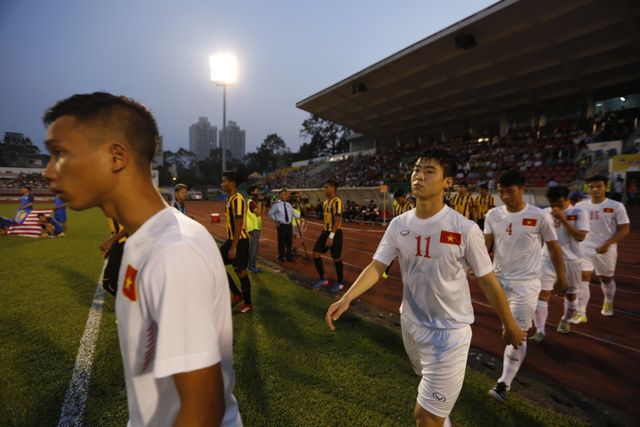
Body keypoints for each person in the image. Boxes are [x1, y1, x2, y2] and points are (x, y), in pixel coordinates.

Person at [42, 92, 241, 426]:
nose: (49, 171)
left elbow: (204, 411)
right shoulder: (143, 240)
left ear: (116, 156)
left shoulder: (172, 251)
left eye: (60, 154)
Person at [325, 150, 524, 427]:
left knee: (425, 417)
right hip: (411, 325)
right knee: (434, 411)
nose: (419, 175)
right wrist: (347, 298)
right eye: (416, 169)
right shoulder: (399, 224)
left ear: (447, 182)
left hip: (449, 333)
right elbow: (376, 267)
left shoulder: (465, 229)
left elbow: (488, 280)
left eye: (429, 171)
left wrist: (510, 323)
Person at [484, 170, 567, 402]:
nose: (507, 197)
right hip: (497, 282)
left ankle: (504, 383)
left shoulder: (539, 216)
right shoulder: (493, 214)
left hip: (526, 284)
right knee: (506, 330)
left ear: (522, 189)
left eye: (511, 192)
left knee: (516, 334)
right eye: (502, 192)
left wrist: (561, 276)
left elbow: (553, 247)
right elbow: (486, 245)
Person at [530, 186, 589, 341]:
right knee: (542, 294)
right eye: (552, 203)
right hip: (547, 260)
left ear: (567, 199)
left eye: (560, 203)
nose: (555, 207)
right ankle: (540, 331)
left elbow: (580, 237)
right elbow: (541, 237)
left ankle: (565, 319)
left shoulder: (579, 213)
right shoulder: (544, 213)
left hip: (571, 261)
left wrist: (563, 219)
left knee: (571, 295)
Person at [573, 175, 630, 321]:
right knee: (583, 278)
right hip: (584, 248)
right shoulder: (580, 206)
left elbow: (624, 229)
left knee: (605, 278)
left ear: (606, 187)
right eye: (592, 187)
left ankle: (608, 301)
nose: (595, 189)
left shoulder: (616, 206)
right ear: (588, 189)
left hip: (606, 248)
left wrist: (608, 244)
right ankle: (581, 312)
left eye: (599, 186)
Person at [220, 171, 253, 314]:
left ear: (232, 183)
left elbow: (239, 223)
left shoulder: (238, 199)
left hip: (240, 241)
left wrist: (233, 247)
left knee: (241, 272)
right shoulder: (230, 199)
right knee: (216, 264)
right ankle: (237, 293)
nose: (222, 184)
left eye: (224, 181)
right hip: (232, 240)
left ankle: (248, 303)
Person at [311, 180, 345, 293]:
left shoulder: (337, 201)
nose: (324, 189)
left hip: (335, 232)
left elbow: (337, 220)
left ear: (332, 188)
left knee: (336, 258)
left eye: (326, 187)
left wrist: (331, 236)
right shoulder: (326, 202)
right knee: (315, 253)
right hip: (325, 231)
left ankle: (340, 283)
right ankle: (323, 278)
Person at [382, 189, 413, 279]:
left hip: (409, 236)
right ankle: (386, 271)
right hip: (399, 235)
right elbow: (396, 221)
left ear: (403, 198)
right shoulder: (397, 208)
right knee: (392, 252)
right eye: (396, 200)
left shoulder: (410, 207)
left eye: (398, 200)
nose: (398, 202)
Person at [268, 189, 299, 262]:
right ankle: (281, 257)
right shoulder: (276, 205)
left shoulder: (289, 205)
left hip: (289, 225)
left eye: (285, 194)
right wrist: (275, 220)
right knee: (281, 241)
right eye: (281, 195)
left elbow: (294, 213)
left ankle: (289, 257)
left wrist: (300, 218)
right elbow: (270, 213)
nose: (283, 196)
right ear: (279, 196)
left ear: (287, 196)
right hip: (281, 225)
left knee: (289, 242)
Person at [246, 185, 263, 273]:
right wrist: (260, 202)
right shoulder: (251, 202)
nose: (259, 192)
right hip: (253, 228)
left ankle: (251, 265)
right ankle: (252, 266)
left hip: (254, 227)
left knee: (253, 247)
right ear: (252, 192)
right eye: (257, 191)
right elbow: (258, 213)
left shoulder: (252, 202)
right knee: (254, 248)